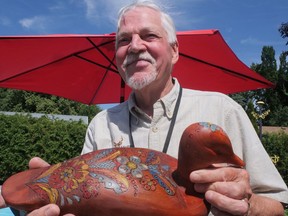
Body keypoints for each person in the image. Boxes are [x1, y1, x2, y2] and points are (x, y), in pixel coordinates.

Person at [1, 1, 287, 215]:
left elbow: (277, 205)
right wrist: (52, 194)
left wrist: (248, 205)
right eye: (124, 40)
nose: (135, 46)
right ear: (116, 57)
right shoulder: (101, 124)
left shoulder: (223, 110)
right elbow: (86, 195)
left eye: (149, 36)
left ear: (175, 50)